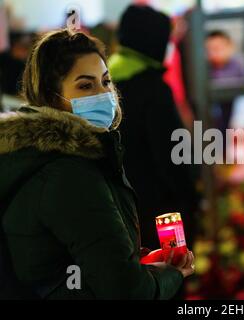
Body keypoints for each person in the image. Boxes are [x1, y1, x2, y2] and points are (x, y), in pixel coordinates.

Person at [0, 29, 194, 300]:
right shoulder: (69, 172)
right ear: (52, 96)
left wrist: (134, 264)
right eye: (85, 85)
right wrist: (172, 274)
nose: (103, 94)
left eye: (105, 81)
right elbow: (127, 293)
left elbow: (77, 260)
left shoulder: (39, 156)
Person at [108, 5, 199, 252]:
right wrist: (190, 196)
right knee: (172, 268)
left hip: (120, 213)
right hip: (163, 212)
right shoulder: (153, 89)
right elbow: (171, 157)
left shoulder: (104, 83)